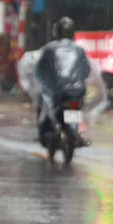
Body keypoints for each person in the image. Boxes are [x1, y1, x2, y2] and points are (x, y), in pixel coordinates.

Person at [35, 17, 92, 146]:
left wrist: (44, 81)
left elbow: (40, 70)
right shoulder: (79, 50)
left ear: (57, 32)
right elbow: (86, 70)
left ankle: (43, 134)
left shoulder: (49, 49)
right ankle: (74, 131)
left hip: (58, 91)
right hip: (78, 92)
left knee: (42, 98)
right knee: (76, 108)